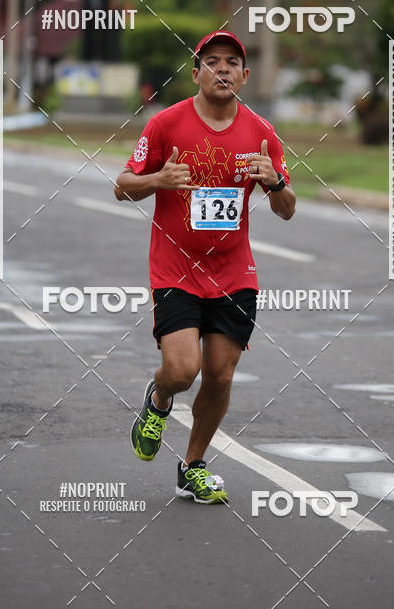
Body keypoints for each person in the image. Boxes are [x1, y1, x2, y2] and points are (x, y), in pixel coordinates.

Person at [114, 30, 296, 503]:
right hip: (175, 267)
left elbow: (287, 209)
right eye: (212, 61)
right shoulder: (166, 124)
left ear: (245, 75)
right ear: (196, 73)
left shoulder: (261, 132)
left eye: (231, 62)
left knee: (219, 375)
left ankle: (192, 466)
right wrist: (159, 179)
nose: (222, 69)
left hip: (234, 272)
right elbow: (121, 186)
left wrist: (276, 183)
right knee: (181, 370)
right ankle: (159, 399)